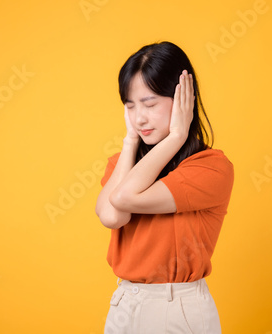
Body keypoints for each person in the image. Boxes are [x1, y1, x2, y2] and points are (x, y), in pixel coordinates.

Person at [95, 41, 234, 333]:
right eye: (130, 106)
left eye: (149, 104)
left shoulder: (211, 167)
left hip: (177, 308)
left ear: (184, 98)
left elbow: (123, 198)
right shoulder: (122, 163)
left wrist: (176, 137)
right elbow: (112, 216)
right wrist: (130, 141)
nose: (139, 117)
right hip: (124, 303)